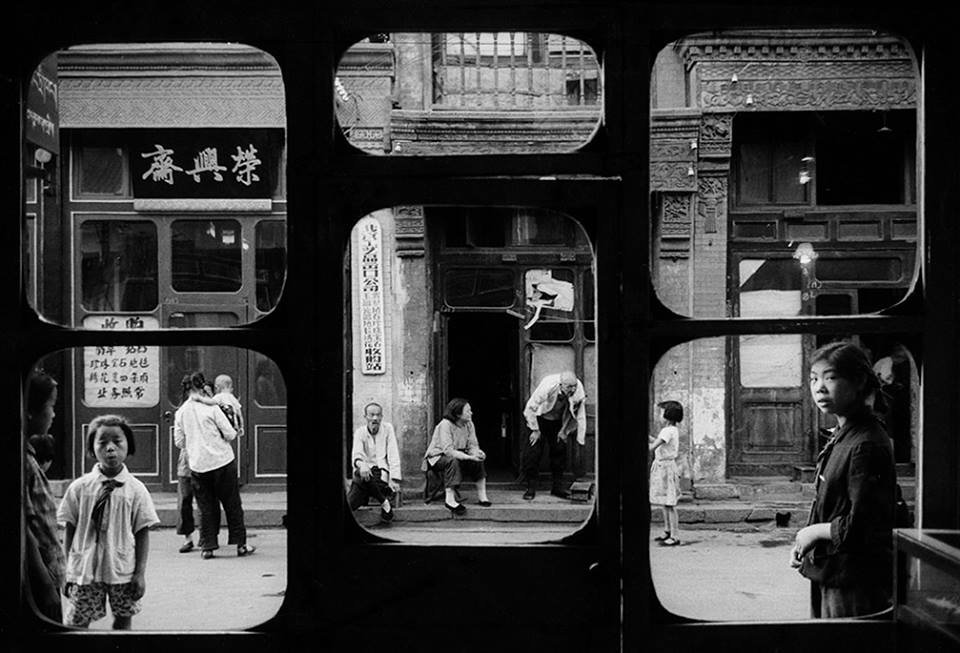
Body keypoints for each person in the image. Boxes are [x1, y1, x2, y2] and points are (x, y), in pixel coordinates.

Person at [790, 341, 897, 619]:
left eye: (831, 377)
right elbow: (832, 504)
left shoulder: (865, 443)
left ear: (859, 381)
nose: (819, 388)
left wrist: (813, 533)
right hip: (832, 569)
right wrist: (807, 544)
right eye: (814, 379)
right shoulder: (844, 434)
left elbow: (863, 524)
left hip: (853, 580)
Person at [57, 414, 160, 629]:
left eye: (117, 442)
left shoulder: (136, 490)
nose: (110, 448)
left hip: (122, 568)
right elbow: (70, 528)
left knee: (123, 619)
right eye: (102, 443)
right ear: (92, 448)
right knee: (77, 621)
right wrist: (68, 569)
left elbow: (142, 532)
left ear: (128, 445)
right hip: (85, 568)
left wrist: (140, 573)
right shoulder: (80, 488)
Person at [174, 371, 255, 559]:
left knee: (206, 506)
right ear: (203, 387)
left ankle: (208, 547)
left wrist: (196, 443)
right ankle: (241, 545)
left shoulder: (181, 412)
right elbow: (230, 434)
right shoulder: (212, 407)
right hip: (223, 462)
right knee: (232, 503)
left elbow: (179, 442)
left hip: (198, 466)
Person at [23, 368, 66, 623]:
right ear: (31, 411)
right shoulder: (24, 462)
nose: (53, 413)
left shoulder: (28, 456)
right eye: (51, 405)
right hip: (38, 578)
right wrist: (46, 584)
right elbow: (25, 528)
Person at [520, 370, 587, 499]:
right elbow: (530, 407)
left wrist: (564, 431)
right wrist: (535, 429)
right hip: (539, 420)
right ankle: (530, 488)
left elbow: (573, 412)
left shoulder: (577, 389)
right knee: (533, 453)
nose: (572, 389)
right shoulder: (548, 385)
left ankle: (557, 488)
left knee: (559, 453)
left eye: (574, 386)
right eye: (568, 387)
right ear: (561, 385)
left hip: (557, 423)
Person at [422, 398, 490, 515]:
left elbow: (473, 445)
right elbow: (448, 451)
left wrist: (477, 453)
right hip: (437, 457)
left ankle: (482, 496)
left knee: (477, 460)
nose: (471, 413)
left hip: (459, 454)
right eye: (468, 411)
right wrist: (469, 457)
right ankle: (450, 500)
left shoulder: (469, 424)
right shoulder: (445, 425)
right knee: (452, 461)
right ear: (458, 414)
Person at [347, 402, 401, 522]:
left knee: (358, 479)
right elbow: (356, 454)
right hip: (365, 474)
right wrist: (362, 465)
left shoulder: (388, 429)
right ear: (365, 417)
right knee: (360, 476)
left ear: (382, 417)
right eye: (371, 415)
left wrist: (394, 479)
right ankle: (384, 501)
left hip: (381, 474)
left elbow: (393, 454)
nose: (375, 418)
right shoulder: (360, 432)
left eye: (378, 415)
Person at [649, 400, 683, 547]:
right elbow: (657, 442)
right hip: (666, 467)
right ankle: (667, 530)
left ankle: (674, 535)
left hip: (665, 468)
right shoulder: (672, 430)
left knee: (670, 504)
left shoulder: (666, 431)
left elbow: (653, 447)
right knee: (666, 502)